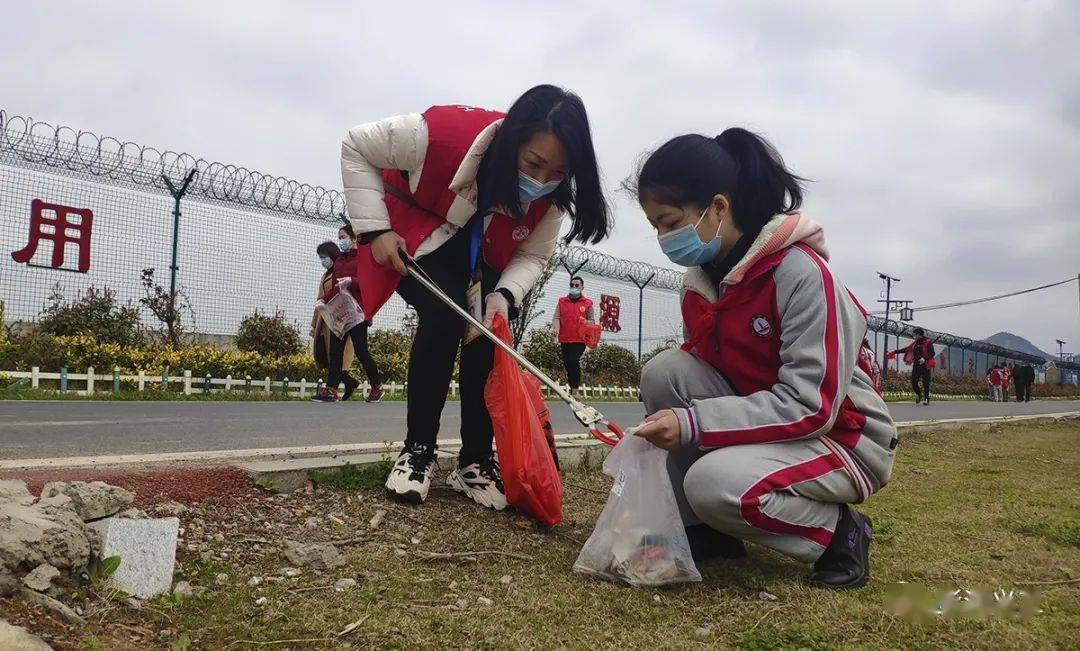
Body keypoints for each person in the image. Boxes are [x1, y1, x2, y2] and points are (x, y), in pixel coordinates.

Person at [629, 129, 896, 589]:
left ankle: (838, 534)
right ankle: (706, 531)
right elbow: (707, 375)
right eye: (656, 227)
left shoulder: (802, 274)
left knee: (712, 483)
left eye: (671, 223)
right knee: (664, 372)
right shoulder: (700, 283)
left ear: (718, 206)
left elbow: (811, 405)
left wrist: (693, 423)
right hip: (773, 427)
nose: (664, 239)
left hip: (841, 436)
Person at [340, 85, 610, 508]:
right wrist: (375, 229)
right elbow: (357, 145)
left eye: (556, 173)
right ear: (511, 141)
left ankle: (476, 461)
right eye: (533, 163)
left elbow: (532, 255)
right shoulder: (439, 136)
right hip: (416, 232)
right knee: (443, 317)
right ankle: (418, 451)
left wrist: (504, 294)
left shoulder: (552, 199)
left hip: (487, 252)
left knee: (487, 334)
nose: (540, 181)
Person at [310, 226, 384, 403]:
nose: (340, 241)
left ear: (353, 238)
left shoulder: (364, 258)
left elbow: (371, 283)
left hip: (358, 312)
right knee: (335, 351)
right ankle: (331, 390)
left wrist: (352, 281)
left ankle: (377, 386)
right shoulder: (340, 261)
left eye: (343, 237)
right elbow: (335, 286)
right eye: (339, 237)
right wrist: (324, 300)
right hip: (340, 313)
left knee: (361, 351)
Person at [553, 275, 595, 395]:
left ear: (582, 287)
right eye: (572, 285)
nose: (574, 287)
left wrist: (585, 321)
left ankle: (575, 390)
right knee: (568, 364)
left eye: (577, 285)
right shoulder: (562, 301)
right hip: (565, 339)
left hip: (579, 340)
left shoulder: (588, 304)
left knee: (573, 361)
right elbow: (556, 317)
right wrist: (555, 328)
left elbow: (592, 320)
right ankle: (572, 387)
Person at [887, 328, 935, 405]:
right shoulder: (915, 343)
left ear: (919, 335)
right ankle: (919, 394)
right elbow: (907, 349)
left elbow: (932, 353)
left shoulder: (928, 342)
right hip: (916, 365)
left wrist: (924, 358)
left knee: (926, 383)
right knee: (913, 382)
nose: (913, 336)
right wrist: (895, 352)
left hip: (925, 365)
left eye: (914, 335)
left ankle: (926, 399)